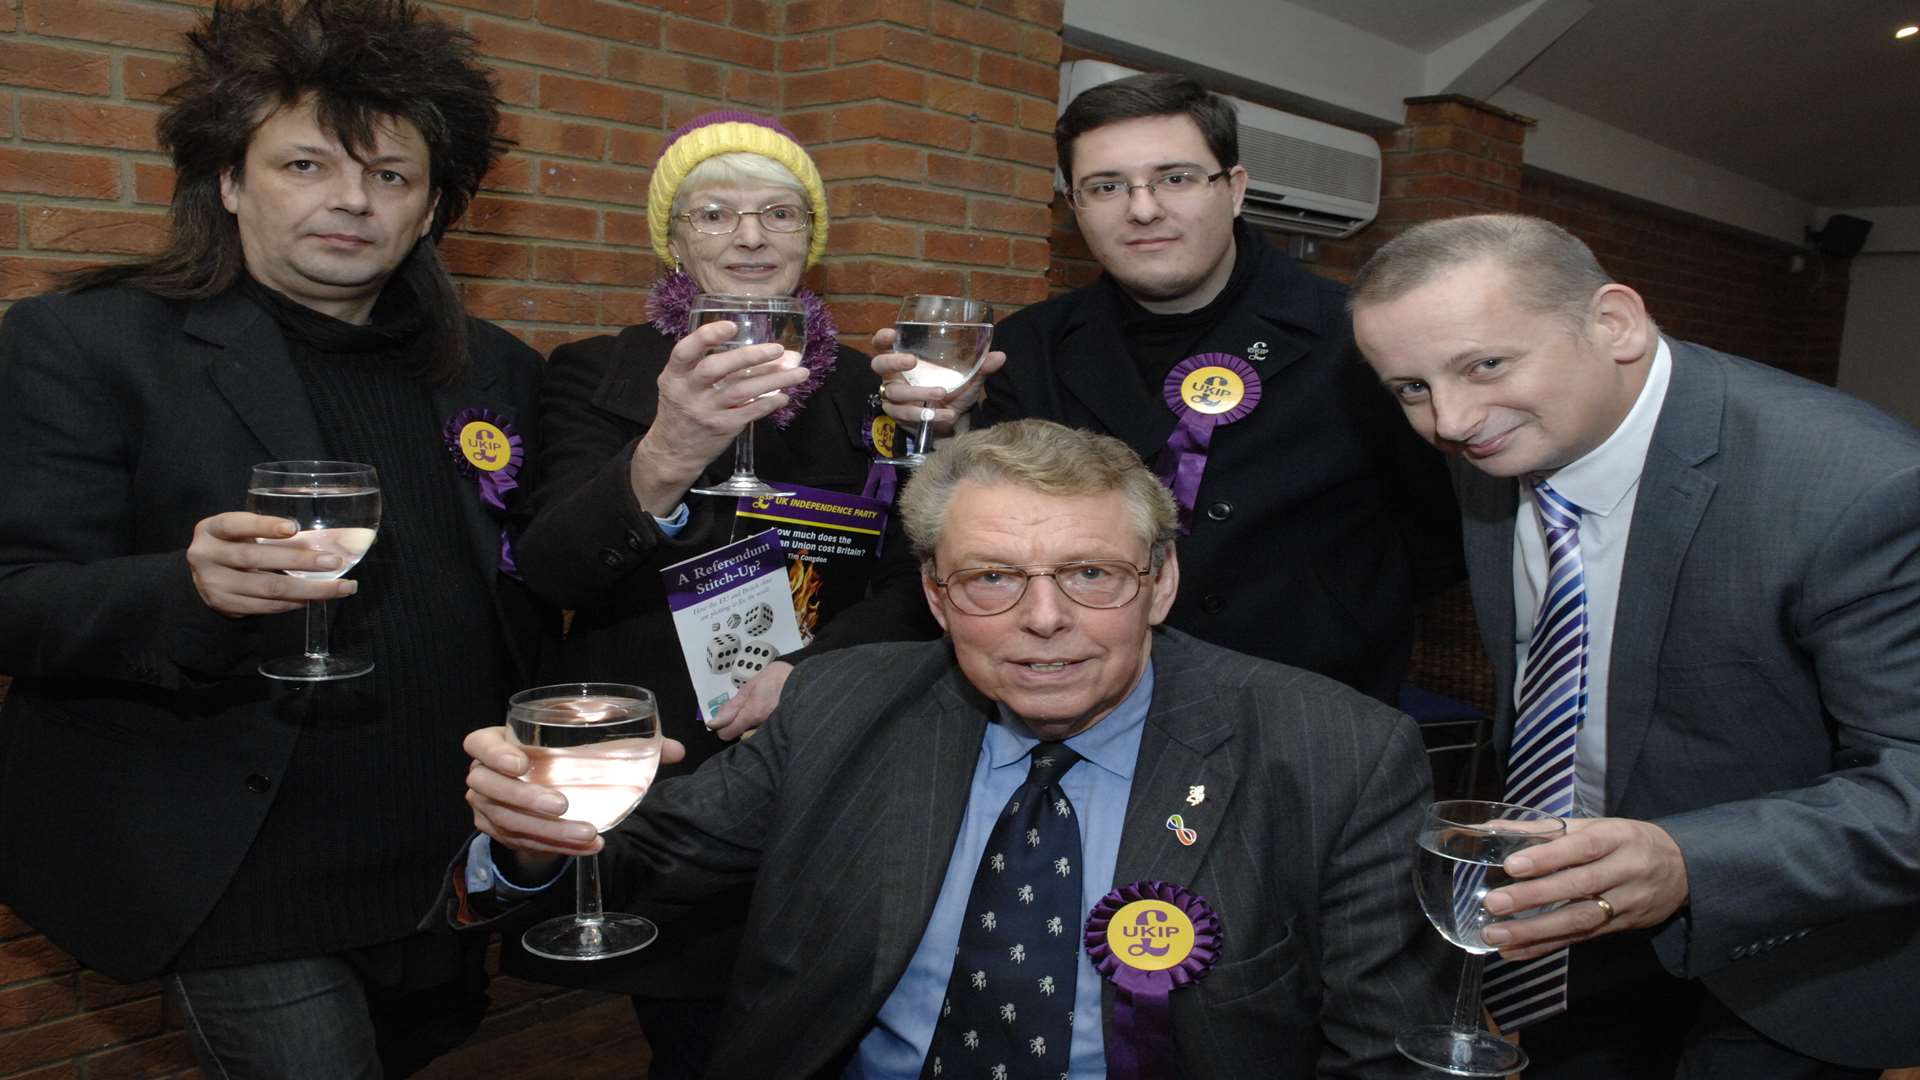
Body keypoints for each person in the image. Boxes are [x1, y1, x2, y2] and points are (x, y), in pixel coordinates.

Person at [455, 419, 1451, 1078]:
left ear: (1160, 583)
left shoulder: (1335, 753)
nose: (1044, 621)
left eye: (1092, 574)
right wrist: (535, 836)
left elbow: (1393, 1055)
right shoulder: (844, 705)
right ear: (935, 597)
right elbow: (640, 863)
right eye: (991, 580)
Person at [0, 1, 544, 1075]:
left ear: (432, 207)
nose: (351, 198)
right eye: (305, 164)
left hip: (441, 868)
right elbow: (15, 597)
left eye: (390, 175)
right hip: (240, 873)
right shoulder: (87, 344)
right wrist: (185, 590)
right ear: (230, 182)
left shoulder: (494, 371)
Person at [1349, 212, 1920, 1077]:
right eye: (1411, 389)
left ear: (1614, 322)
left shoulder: (1862, 489)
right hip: (1573, 951)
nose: (1452, 421)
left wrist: (1692, 861)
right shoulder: (1498, 448)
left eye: (1485, 364)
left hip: (1793, 962)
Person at [504, 111, 938, 1076]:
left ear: (810, 239)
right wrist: (669, 447)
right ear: (674, 238)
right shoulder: (593, 375)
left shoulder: (881, 391)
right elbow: (554, 570)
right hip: (674, 770)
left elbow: (931, 574)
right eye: (715, 213)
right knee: (698, 1039)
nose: (750, 237)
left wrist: (814, 674)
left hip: (842, 750)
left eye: (780, 214)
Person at [874, 72, 1461, 704]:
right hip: (1086, 704)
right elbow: (976, 531)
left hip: (1303, 702)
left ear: (1234, 190)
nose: (1144, 207)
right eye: (1106, 186)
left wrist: (1331, 612)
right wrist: (944, 428)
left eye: (1176, 178)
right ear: (1075, 206)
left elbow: (1435, 538)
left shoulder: (1355, 337)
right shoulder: (1031, 345)